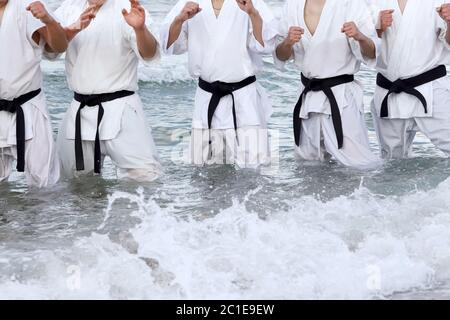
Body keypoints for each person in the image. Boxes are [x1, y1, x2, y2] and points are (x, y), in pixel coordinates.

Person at [48, 0, 162, 181]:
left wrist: (140, 29)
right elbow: (50, 51)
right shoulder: (69, 8)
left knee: (145, 177)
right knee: (74, 183)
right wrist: (71, 31)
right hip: (80, 110)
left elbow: (149, 54)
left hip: (123, 109)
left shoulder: (127, 8)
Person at [160, 0, 277, 168]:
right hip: (206, 98)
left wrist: (252, 13)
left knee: (254, 172)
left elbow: (265, 46)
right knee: (204, 174)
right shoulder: (190, 3)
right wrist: (180, 20)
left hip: (244, 99)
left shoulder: (252, 2)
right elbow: (168, 46)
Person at [275, 0, 381, 169]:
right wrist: (288, 42)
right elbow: (281, 56)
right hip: (307, 99)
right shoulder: (292, 6)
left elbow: (372, 52)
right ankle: (313, 197)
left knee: (358, 164)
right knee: (308, 165)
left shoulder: (351, 5)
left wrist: (359, 36)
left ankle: (373, 195)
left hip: (342, 97)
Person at [0, 0, 67, 187]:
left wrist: (48, 20)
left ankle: (44, 218)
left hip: (28, 109)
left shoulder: (27, 7)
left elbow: (59, 47)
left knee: (44, 185)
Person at [372, 0, 450, 159]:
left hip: (432, 91)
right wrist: (376, 28)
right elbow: (358, 48)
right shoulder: (371, 2)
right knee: (392, 163)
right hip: (389, 94)